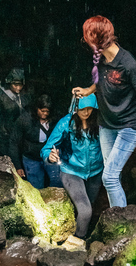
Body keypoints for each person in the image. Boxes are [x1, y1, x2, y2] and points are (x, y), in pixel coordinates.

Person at [72, 15, 136, 208]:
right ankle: (117, 217)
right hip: (106, 125)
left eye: (88, 34)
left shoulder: (128, 65)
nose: (85, 39)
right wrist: (88, 90)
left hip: (128, 126)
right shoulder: (100, 58)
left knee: (108, 177)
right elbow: (101, 80)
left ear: (97, 37)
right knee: (111, 176)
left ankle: (121, 223)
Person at [41, 93, 103, 246]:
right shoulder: (66, 123)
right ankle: (78, 243)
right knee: (85, 211)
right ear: (75, 108)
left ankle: (77, 237)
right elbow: (46, 148)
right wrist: (50, 155)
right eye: (82, 109)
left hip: (95, 172)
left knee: (88, 207)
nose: (86, 113)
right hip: (72, 171)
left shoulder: (101, 122)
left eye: (90, 109)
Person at [9, 94, 62, 189]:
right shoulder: (25, 120)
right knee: (36, 187)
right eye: (42, 111)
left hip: (51, 157)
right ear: (36, 109)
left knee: (57, 183)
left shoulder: (55, 119)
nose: (45, 114)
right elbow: (14, 142)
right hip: (31, 158)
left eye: (47, 111)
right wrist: (18, 166)